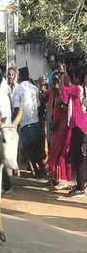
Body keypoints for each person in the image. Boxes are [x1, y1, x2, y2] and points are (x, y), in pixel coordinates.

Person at [13, 67, 45, 178]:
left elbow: (16, 108)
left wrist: (15, 123)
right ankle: (40, 168)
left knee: (28, 147)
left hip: (24, 122)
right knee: (36, 146)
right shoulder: (34, 88)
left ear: (20, 76)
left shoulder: (18, 89)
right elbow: (39, 106)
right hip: (35, 120)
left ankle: (35, 169)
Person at [61, 67, 87, 197]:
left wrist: (64, 77)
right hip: (81, 127)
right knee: (80, 157)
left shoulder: (78, 89)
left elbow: (64, 91)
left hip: (79, 127)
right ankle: (81, 184)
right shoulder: (81, 90)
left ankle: (81, 187)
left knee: (79, 158)